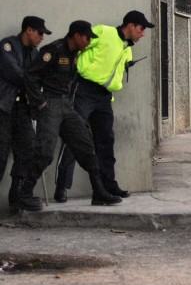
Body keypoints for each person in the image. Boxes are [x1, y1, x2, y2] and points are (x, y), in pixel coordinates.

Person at [16, 20, 123, 209]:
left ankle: (98, 192)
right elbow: (29, 75)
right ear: (76, 35)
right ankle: (24, 194)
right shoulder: (54, 50)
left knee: (86, 147)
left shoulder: (76, 54)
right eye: (87, 38)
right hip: (50, 105)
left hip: (66, 106)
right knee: (45, 152)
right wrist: (39, 101)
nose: (89, 42)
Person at [55, 11, 154, 203]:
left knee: (106, 141)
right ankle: (62, 186)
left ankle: (107, 187)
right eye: (142, 29)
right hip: (84, 90)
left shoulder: (127, 48)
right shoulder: (104, 32)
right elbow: (77, 47)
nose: (143, 33)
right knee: (74, 137)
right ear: (131, 25)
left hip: (104, 97)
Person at [0, 16, 51, 211]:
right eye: (39, 33)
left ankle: (17, 195)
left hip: (22, 109)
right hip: (3, 108)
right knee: (1, 155)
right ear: (28, 30)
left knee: (28, 149)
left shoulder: (34, 54)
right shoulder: (7, 46)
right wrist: (35, 85)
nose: (41, 37)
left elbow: (40, 77)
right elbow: (14, 73)